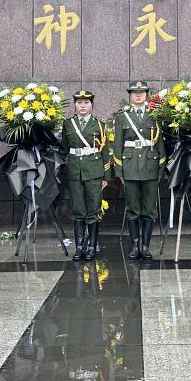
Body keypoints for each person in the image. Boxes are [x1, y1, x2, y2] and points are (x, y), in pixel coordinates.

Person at [112, 80, 165, 260]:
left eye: (141, 92)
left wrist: (161, 168)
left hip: (150, 166)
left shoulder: (155, 115)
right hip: (130, 167)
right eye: (135, 92)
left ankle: (146, 246)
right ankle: (135, 245)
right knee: (133, 208)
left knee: (149, 209)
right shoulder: (122, 117)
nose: (138, 95)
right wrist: (119, 171)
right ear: (130, 95)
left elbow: (160, 144)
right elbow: (117, 146)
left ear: (146, 94)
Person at [59, 90, 112, 261]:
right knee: (77, 209)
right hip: (75, 171)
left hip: (94, 171)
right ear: (75, 105)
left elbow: (105, 152)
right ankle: (79, 247)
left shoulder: (100, 125)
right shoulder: (68, 124)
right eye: (79, 103)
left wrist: (106, 177)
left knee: (93, 209)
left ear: (91, 105)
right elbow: (63, 149)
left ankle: (91, 247)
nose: (83, 106)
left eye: (86, 103)